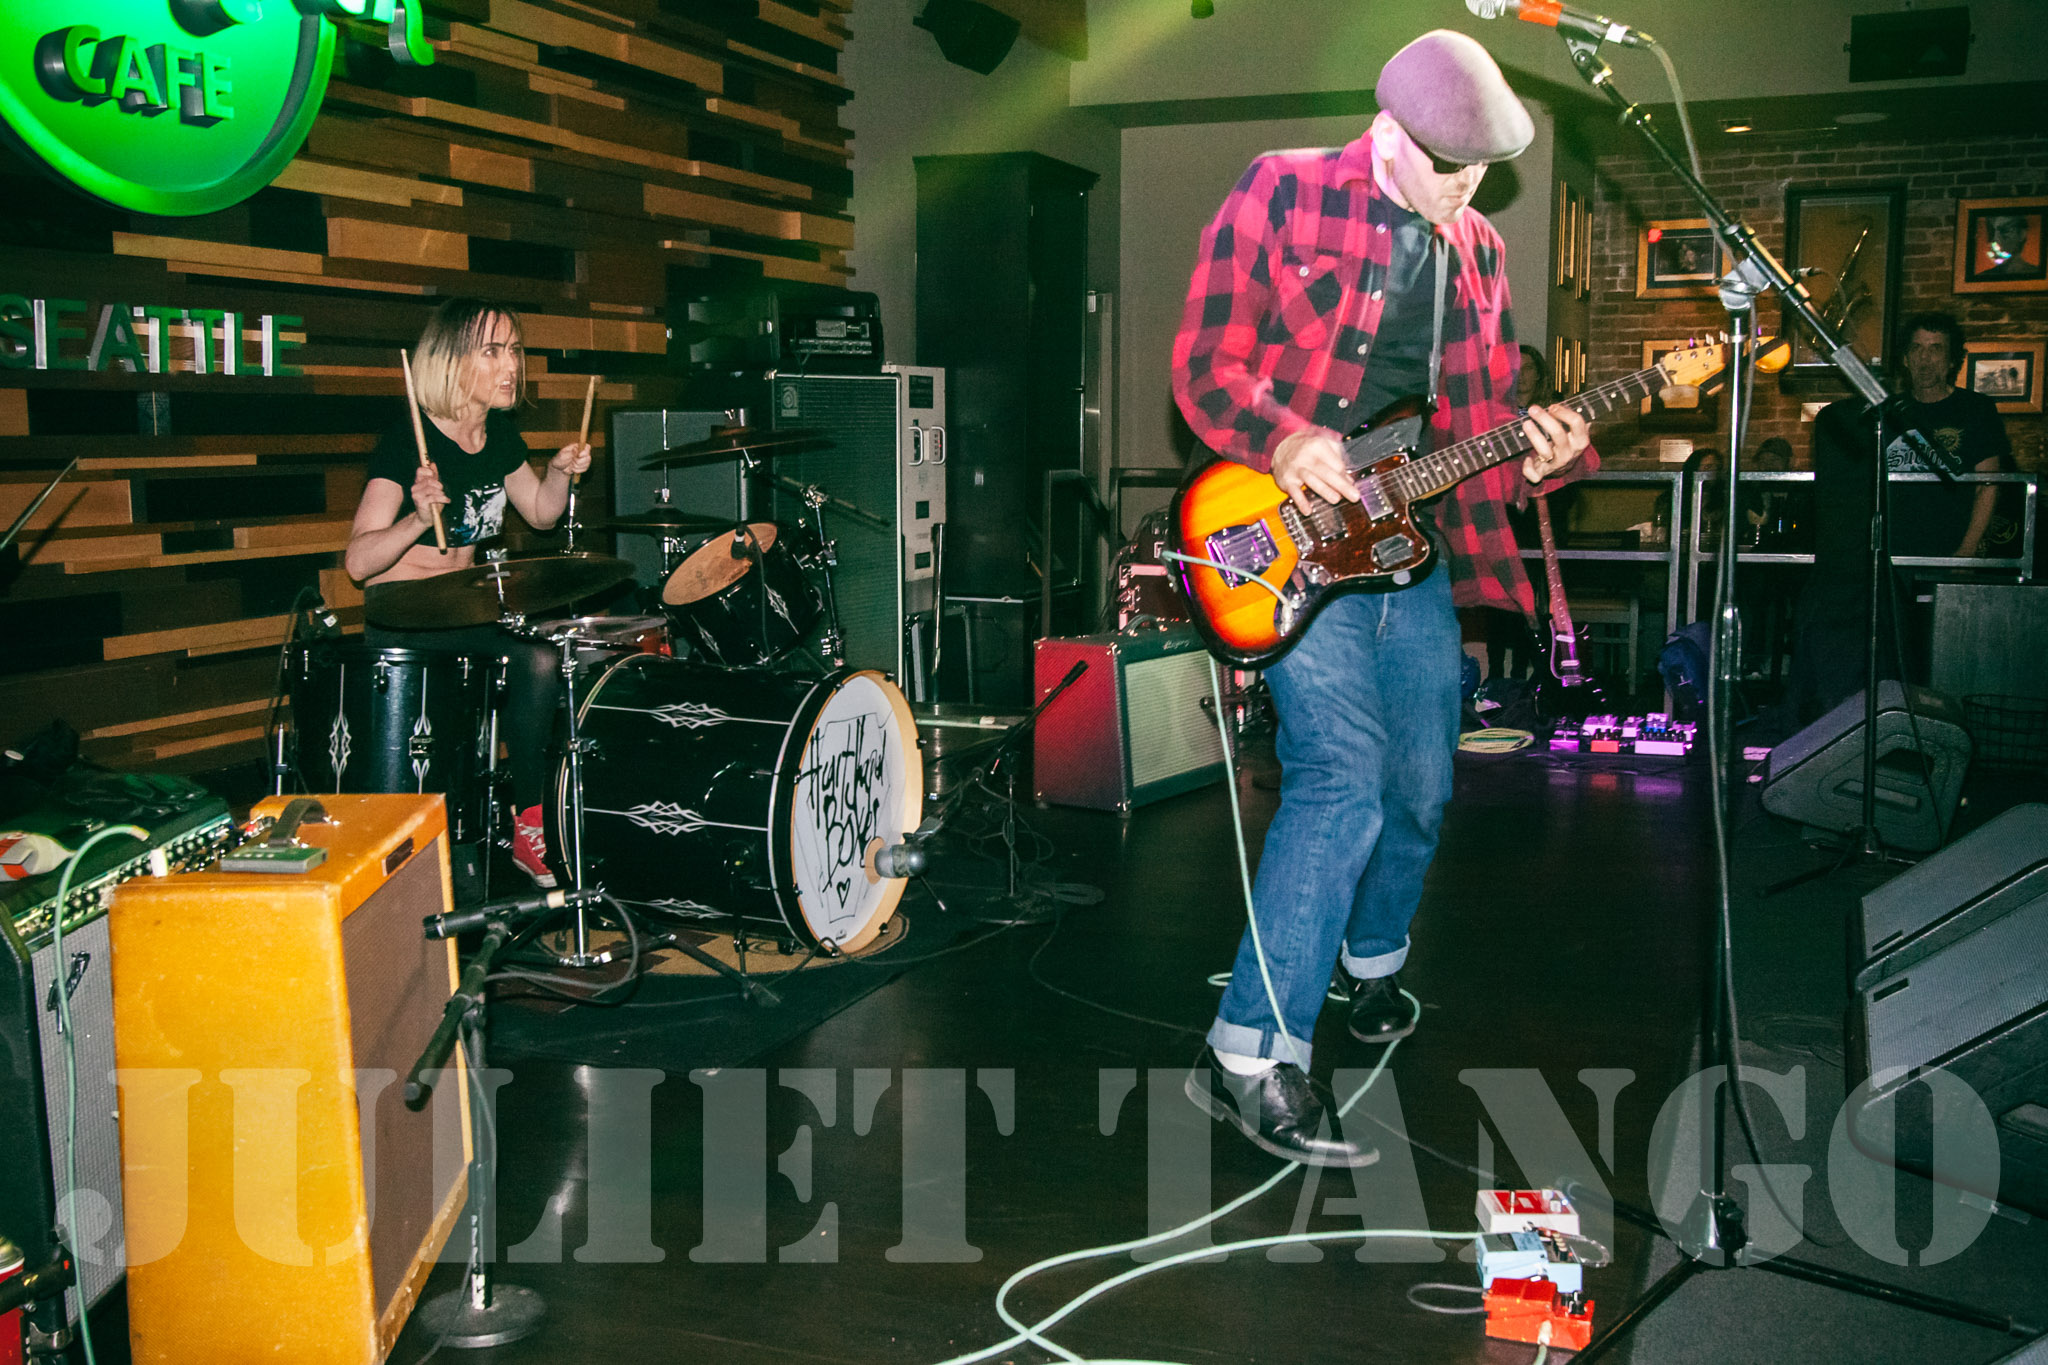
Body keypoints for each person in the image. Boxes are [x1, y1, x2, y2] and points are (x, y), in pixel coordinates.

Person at [1170, 30, 1593, 1166]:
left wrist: (1541, 454)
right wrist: (1284, 435)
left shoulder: (1479, 250)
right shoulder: (1283, 190)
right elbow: (1205, 362)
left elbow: (1477, 428)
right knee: (1340, 776)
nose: (1466, 189)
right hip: (1288, 534)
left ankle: (1369, 966)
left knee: (1420, 784)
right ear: (1390, 133)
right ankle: (1248, 1051)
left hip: (1409, 544)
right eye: (1449, 165)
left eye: (1482, 170)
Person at [345, 299, 593, 886]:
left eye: (514, 350)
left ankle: (530, 823)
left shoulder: (498, 434)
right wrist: (415, 519)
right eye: (492, 351)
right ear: (453, 362)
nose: (512, 365)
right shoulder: (409, 440)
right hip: (405, 618)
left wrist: (559, 472)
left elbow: (540, 514)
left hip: (463, 608)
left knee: (541, 658)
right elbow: (358, 563)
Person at [1791, 311, 2010, 721]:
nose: (1926, 359)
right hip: (1886, 564)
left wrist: (1965, 553)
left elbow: (1989, 483)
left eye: (1936, 350)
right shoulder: (1886, 412)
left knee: (1938, 667)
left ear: (1952, 360)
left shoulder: (1974, 409)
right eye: (1917, 349)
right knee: (1889, 670)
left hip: (1944, 558)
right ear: (1905, 358)